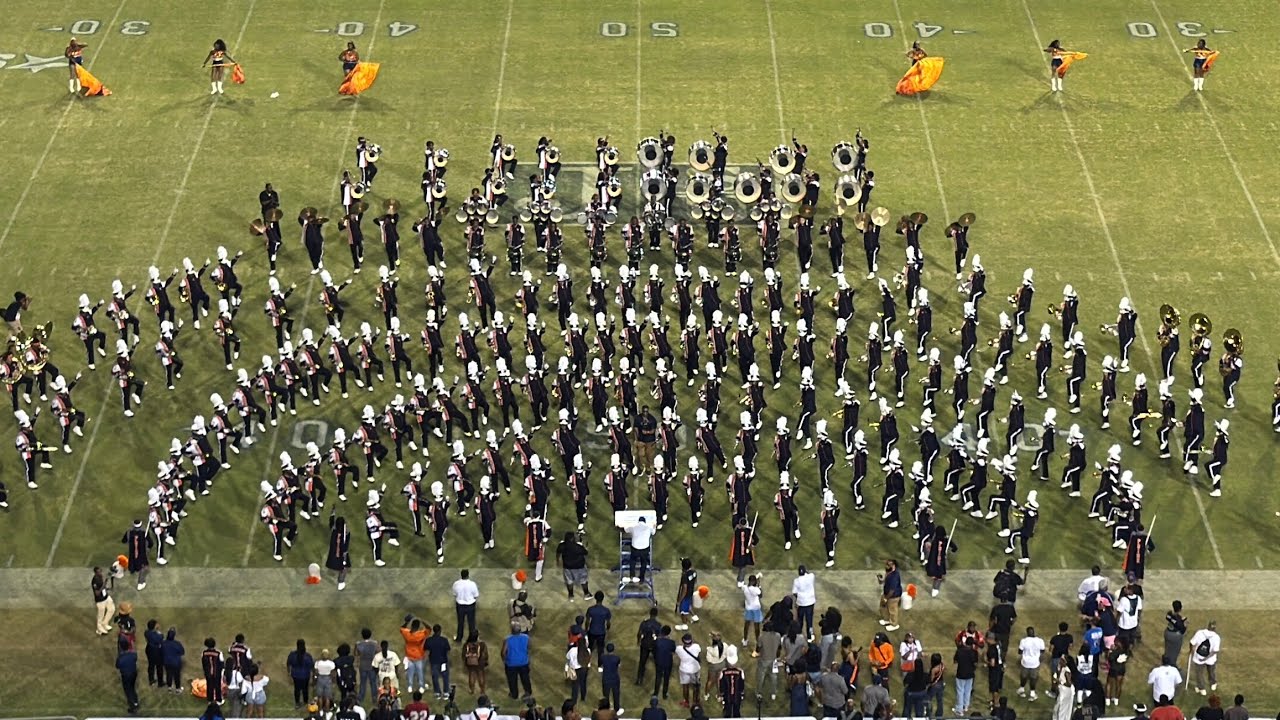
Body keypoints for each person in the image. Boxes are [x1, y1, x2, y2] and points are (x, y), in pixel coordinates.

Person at [1187, 621, 1221, 696]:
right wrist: (1206, 658)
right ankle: (1213, 683)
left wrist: (1192, 652)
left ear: (1208, 626)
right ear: (1215, 628)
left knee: (1199, 673)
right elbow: (1214, 651)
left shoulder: (1199, 633)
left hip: (1198, 657)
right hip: (1210, 659)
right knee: (1211, 671)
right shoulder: (1216, 637)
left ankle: (1201, 688)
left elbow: (1192, 643)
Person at [557, 531, 591, 600]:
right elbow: (585, 552)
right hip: (579, 567)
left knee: (569, 581)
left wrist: (558, 561)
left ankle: (571, 596)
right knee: (583, 580)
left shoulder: (562, 545)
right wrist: (585, 548)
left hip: (567, 567)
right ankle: (586, 594)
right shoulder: (577, 547)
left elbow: (558, 552)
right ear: (572, 539)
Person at [501, 627, 532, 699]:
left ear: (511, 631)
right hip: (523, 662)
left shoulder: (507, 639)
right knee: (525, 678)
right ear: (520, 631)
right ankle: (528, 692)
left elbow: (503, 652)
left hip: (511, 663)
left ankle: (514, 694)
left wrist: (504, 659)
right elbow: (529, 647)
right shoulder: (526, 637)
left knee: (512, 680)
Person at [401, 617, 428, 695]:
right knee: (420, 672)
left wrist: (407, 621)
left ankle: (410, 686)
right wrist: (424, 621)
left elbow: (402, 628)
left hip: (409, 656)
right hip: (419, 656)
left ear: (412, 626)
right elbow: (429, 629)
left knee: (410, 672)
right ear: (418, 626)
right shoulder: (421, 634)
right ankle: (421, 687)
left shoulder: (407, 633)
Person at [1017, 626, 1045, 701]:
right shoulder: (1040, 641)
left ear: (1027, 633)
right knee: (1033, 678)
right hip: (1035, 663)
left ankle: (1022, 689)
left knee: (1023, 676)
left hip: (1025, 662)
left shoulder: (1024, 641)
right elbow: (1042, 651)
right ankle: (1032, 693)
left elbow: (1020, 652)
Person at [675, 633, 702, 708]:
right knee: (696, 686)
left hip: (684, 670)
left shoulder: (679, 649)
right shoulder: (696, 646)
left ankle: (686, 701)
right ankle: (696, 702)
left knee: (685, 686)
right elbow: (698, 652)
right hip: (695, 670)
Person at [953, 636, 978, 715]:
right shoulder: (974, 652)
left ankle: (959, 710)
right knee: (968, 690)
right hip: (970, 674)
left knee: (960, 691)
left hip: (961, 673)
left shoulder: (959, 651)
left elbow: (955, 661)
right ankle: (966, 706)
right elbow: (975, 663)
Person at [636, 607, 662, 686]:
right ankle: (660, 675)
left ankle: (639, 679)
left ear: (650, 614)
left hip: (644, 644)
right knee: (657, 661)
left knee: (642, 662)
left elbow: (639, 633)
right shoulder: (658, 625)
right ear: (656, 614)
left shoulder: (644, 623)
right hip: (654, 645)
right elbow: (660, 636)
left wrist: (638, 641)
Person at [719, 645, 746, 718]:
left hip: (727, 696)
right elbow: (742, 685)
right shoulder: (740, 671)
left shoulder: (723, 672)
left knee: (727, 712)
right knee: (737, 712)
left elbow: (722, 685)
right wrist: (742, 694)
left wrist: (721, 695)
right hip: (737, 696)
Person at [453, 569, 480, 642]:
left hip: (460, 605)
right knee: (471, 623)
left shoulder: (456, 584)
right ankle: (472, 639)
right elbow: (476, 595)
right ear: (468, 575)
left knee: (460, 622)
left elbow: (455, 594)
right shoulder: (472, 584)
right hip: (470, 605)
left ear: (461, 575)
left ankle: (459, 638)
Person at [625, 516, 654, 583]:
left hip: (635, 548)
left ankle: (632, 576)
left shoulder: (634, 527)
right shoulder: (648, 527)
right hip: (644, 548)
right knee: (643, 563)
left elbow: (626, 529)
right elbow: (653, 532)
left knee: (632, 561)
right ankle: (641, 578)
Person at [425, 624, 451, 699]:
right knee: (445, 677)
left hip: (433, 661)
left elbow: (426, 650)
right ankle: (446, 692)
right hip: (443, 661)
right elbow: (448, 650)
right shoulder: (444, 640)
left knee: (435, 677)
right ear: (440, 631)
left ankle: (437, 693)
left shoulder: (429, 640)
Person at [586, 591, 613, 660]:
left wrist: (586, 630)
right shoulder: (606, 610)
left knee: (590, 648)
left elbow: (587, 621)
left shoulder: (590, 609)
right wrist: (607, 629)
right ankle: (600, 665)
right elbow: (608, 623)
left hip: (592, 631)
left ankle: (587, 661)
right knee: (600, 649)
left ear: (595, 598)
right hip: (601, 632)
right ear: (603, 599)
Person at [288, 639, 314, 709]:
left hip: (296, 675)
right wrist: (312, 676)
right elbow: (311, 666)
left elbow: (288, 664)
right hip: (305, 675)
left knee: (297, 689)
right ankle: (305, 702)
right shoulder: (308, 656)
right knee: (305, 689)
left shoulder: (292, 655)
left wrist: (289, 674)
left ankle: (297, 703)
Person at [792, 565, 817, 640]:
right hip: (810, 602)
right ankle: (809, 637)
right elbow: (809, 573)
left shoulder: (796, 581)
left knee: (800, 620)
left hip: (801, 603)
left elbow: (794, 592)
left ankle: (799, 635)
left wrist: (798, 598)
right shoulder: (811, 577)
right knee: (809, 621)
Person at [117, 636, 141, 714]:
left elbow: (117, 666)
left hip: (126, 676)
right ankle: (136, 702)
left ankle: (133, 707)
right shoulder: (133, 654)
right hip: (134, 674)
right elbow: (134, 654)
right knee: (132, 688)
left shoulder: (121, 658)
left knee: (128, 690)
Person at [356, 628, 379, 704]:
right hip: (372, 665)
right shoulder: (374, 643)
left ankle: (360, 698)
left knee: (363, 683)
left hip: (363, 666)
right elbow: (377, 652)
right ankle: (375, 698)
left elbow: (356, 653)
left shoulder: (359, 644)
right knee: (373, 683)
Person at [877, 559, 902, 632]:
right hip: (887, 594)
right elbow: (883, 581)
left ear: (893, 566)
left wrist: (886, 598)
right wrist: (880, 579)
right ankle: (887, 619)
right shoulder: (889, 572)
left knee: (892, 610)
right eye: (886, 564)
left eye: (888, 565)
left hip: (893, 596)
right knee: (883, 607)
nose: (886, 566)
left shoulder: (894, 576)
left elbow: (892, 590)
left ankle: (894, 624)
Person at [654, 625, 677, 700]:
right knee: (666, 678)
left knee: (658, 677)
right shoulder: (672, 642)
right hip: (668, 662)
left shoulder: (657, 641)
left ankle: (655, 693)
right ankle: (664, 694)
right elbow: (673, 651)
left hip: (659, 661)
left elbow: (654, 650)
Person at [463, 630, 489, 695]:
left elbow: (463, 654)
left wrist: (466, 662)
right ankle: (482, 691)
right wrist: (485, 661)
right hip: (480, 662)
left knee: (471, 675)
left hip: (470, 663)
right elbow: (485, 654)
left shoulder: (466, 644)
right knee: (481, 675)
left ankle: (472, 690)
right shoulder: (482, 644)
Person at [92, 566, 116, 636]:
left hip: (106, 597)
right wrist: (104, 585)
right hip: (100, 601)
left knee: (112, 609)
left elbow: (103, 587)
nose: (100, 572)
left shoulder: (100, 576)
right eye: (99, 572)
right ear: (95, 573)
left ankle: (105, 623)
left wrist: (107, 588)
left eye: (100, 571)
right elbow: (97, 593)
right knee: (100, 616)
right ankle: (99, 629)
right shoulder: (94, 581)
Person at [675, 558, 698, 630]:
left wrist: (679, 601)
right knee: (689, 606)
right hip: (691, 592)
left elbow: (684, 589)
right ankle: (694, 617)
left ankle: (684, 625)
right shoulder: (694, 572)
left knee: (683, 611)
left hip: (685, 595)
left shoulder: (684, 576)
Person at [1164, 601, 1187, 669]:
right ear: (1180, 609)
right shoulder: (1179, 619)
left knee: (1167, 649)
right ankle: (1172, 665)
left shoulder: (1169, 614)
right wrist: (1185, 624)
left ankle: (1165, 662)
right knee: (1175, 651)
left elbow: (1168, 618)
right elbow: (1182, 630)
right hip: (1175, 636)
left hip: (1167, 632)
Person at [162, 627, 185, 694]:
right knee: (176, 675)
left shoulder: (163, 643)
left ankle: (169, 688)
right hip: (176, 663)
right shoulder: (177, 643)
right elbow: (182, 652)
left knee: (168, 674)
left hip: (166, 662)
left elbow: (161, 652)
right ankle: (178, 689)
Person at [601, 642, 623, 713]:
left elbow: (601, 665)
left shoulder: (603, 657)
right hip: (615, 679)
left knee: (605, 695)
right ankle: (617, 709)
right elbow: (619, 666)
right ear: (613, 650)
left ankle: (606, 709)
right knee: (616, 694)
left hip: (606, 678)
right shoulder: (617, 658)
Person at [568, 638, 591, 704]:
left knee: (575, 685)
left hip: (575, 670)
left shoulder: (572, 650)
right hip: (585, 669)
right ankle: (583, 697)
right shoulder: (588, 650)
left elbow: (568, 657)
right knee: (583, 683)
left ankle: (574, 700)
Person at [314, 648, 336, 714]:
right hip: (328, 678)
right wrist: (333, 681)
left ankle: (320, 710)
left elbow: (316, 673)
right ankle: (326, 711)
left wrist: (315, 680)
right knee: (327, 697)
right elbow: (333, 674)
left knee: (320, 696)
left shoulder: (318, 663)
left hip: (320, 678)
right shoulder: (331, 663)